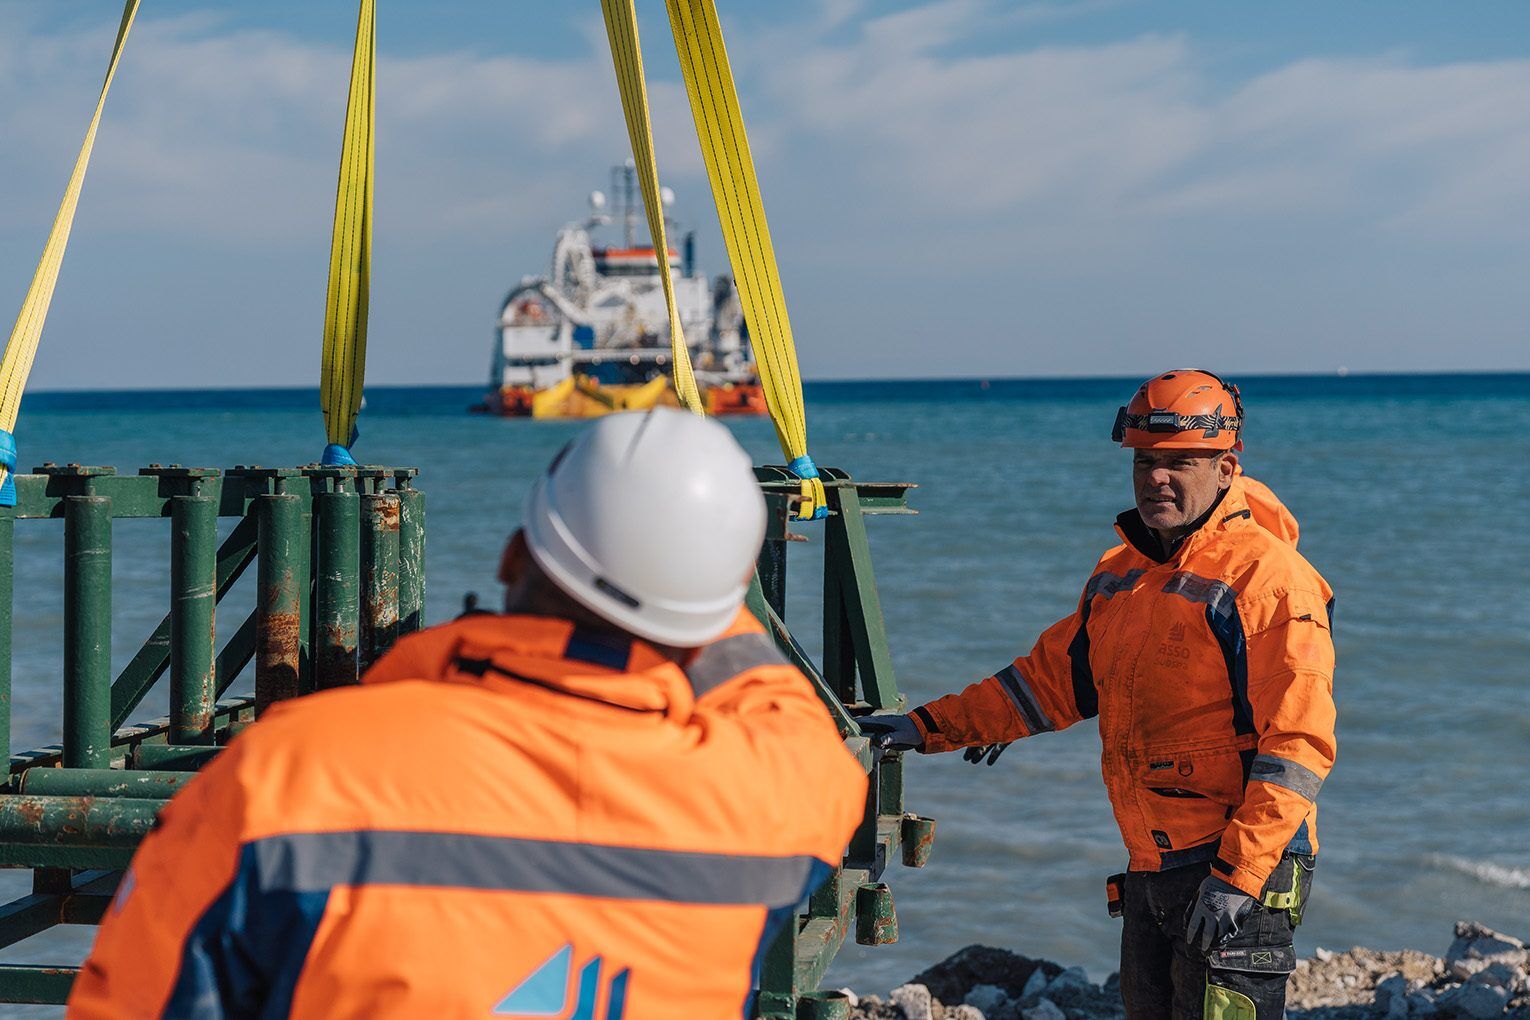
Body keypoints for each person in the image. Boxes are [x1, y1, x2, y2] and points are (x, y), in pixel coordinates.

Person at [70, 408, 868, 1019]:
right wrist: (693, 583)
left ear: (518, 552)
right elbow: (783, 708)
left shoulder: (290, 775)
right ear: (714, 606)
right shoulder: (779, 799)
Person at [862, 370, 1335, 1020]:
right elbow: (1044, 685)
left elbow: (1299, 748)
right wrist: (925, 727)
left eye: (1178, 464)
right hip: (1152, 862)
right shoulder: (1122, 577)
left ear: (1226, 467)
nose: (1156, 479)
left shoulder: (1271, 581)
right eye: (1145, 462)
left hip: (1236, 868)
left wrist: (1238, 878)